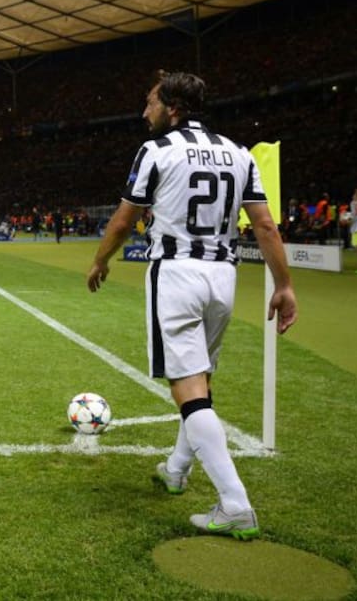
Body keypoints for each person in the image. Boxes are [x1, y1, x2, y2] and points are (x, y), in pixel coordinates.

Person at [86, 70, 297, 541]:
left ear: (173, 108)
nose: (145, 112)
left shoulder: (157, 151)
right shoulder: (239, 153)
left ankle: (236, 504)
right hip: (224, 278)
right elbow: (264, 225)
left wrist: (101, 260)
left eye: (150, 103)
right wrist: (283, 284)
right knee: (198, 380)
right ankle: (176, 468)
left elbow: (125, 219)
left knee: (188, 388)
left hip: (177, 273)